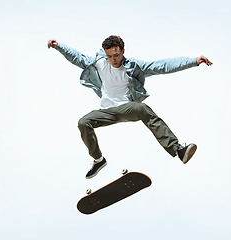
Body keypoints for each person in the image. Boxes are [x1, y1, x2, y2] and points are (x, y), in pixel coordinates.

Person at [48, 35, 212, 179]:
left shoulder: (133, 66)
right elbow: (76, 57)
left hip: (127, 108)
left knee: (142, 108)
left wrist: (193, 61)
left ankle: (178, 150)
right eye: (110, 56)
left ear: (123, 51)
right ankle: (98, 160)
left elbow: (162, 66)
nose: (113, 60)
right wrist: (59, 46)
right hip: (106, 111)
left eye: (117, 55)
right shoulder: (98, 63)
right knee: (83, 122)